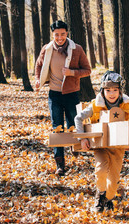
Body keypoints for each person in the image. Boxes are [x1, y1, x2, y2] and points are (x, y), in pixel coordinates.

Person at [74, 71, 129, 212]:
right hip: (101, 146)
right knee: (101, 171)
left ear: (120, 91)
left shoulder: (125, 105)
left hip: (118, 147)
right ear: (102, 91)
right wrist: (82, 137)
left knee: (114, 179)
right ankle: (100, 196)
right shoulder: (95, 105)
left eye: (115, 90)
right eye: (108, 90)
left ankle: (109, 198)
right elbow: (78, 118)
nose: (112, 94)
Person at [35, 20, 91, 176]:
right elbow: (38, 65)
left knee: (74, 123)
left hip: (72, 93)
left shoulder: (77, 49)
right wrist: (38, 79)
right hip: (54, 94)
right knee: (57, 127)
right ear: (53, 34)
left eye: (63, 34)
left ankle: (75, 146)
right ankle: (60, 164)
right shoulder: (46, 49)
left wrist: (72, 72)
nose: (59, 38)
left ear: (67, 33)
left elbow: (87, 70)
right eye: (57, 34)